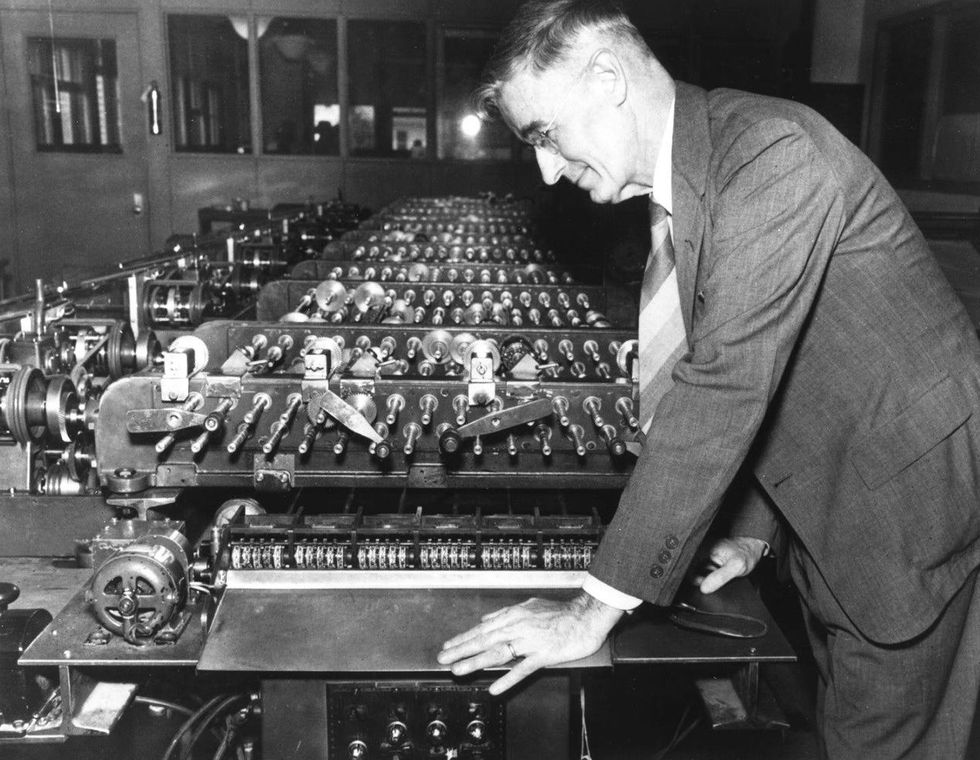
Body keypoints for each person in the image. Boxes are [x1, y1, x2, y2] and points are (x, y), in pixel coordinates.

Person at [436, 2, 980, 757]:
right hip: (834, 507)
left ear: (606, 76)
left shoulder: (770, 157)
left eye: (544, 134)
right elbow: (787, 370)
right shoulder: (701, 177)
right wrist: (753, 535)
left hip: (903, 517)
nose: (547, 169)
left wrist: (588, 610)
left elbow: (724, 389)